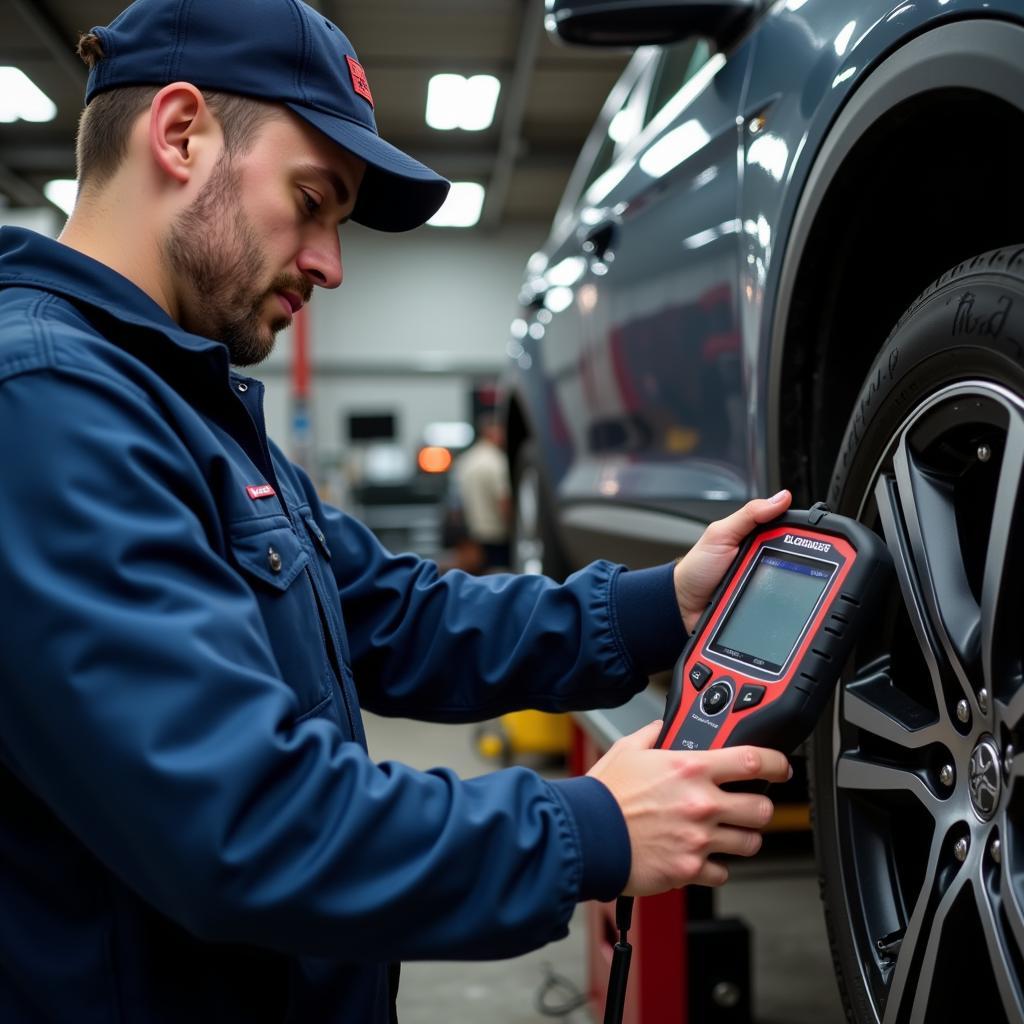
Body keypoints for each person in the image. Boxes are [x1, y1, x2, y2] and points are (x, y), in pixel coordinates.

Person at [0, 1, 791, 1021]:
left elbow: (396, 615)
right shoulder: (46, 404)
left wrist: (663, 604)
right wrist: (588, 825)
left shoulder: (180, 406)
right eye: (314, 199)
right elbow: (242, 824)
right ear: (181, 132)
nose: (330, 262)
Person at [454, 413, 512, 572]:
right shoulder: (497, 462)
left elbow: (456, 502)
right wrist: (514, 529)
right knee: (500, 579)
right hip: (497, 534)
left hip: (473, 534)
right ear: (491, 431)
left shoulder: (465, 460)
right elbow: (504, 501)